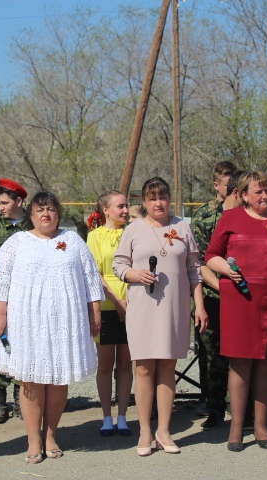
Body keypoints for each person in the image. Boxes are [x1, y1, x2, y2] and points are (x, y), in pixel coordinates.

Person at [0, 191, 103, 464]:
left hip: (65, 322)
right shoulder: (17, 242)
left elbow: (90, 278)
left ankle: (51, 434)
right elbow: (1, 278)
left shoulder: (73, 240)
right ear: (31, 214)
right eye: (40, 210)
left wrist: (95, 312)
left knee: (57, 379)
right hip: (26, 323)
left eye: (50, 209)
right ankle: (33, 440)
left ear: (58, 213)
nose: (46, 215)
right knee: (31, 380)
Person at [205, 171, 267, 452]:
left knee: (264, 363)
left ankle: (261, 425)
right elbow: (211, 256)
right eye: (258, 192)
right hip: (239, 298)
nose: (264, 196)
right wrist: (227, 271)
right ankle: (236, 426)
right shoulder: (230, 219)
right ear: (243, 195)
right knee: (240, 363)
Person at [113, 177, 208, 456]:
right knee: (143, 368)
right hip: (143, 305)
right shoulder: (133, 229)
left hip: (174, 307)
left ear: (169, 199)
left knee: (167, 367)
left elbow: (195, 269)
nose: (158, 203)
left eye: (162, 197)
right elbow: (119, 264)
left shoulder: (182, 227)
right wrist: (134, 274)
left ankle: (164, 430)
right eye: (152, 198)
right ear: (143, 202)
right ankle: (144, 430)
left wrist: (199, 305)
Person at [190, 161, 237, 430]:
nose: (232, 189)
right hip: (212, 295)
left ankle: (247, 408)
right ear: (216, 184)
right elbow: (198, 260)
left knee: (244, 353)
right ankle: (214, 408)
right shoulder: (204, 216)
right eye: (227, 184)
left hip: (242, 295)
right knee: (212, 354)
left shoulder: (248, 211)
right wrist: (223, 288)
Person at [86, 191, 133, 437]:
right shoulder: (94, 236)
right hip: (106, 307)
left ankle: (123, 416)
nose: (125, 210)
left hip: (133, 306)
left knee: (126, 364)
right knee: (106, 364)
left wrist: (129, 303)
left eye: (127, 206)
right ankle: (106, 416)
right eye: (120, 206)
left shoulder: (133, 232)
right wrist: (117, 303)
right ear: (105, 209)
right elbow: (95, 274)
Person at [0, 178, 28, 423]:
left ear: (19, 201)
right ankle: (0, 404)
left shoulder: (32, 226)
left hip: (25, 299)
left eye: (5, 202)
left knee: (23, 347)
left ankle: (22, 401)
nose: (0, 207)